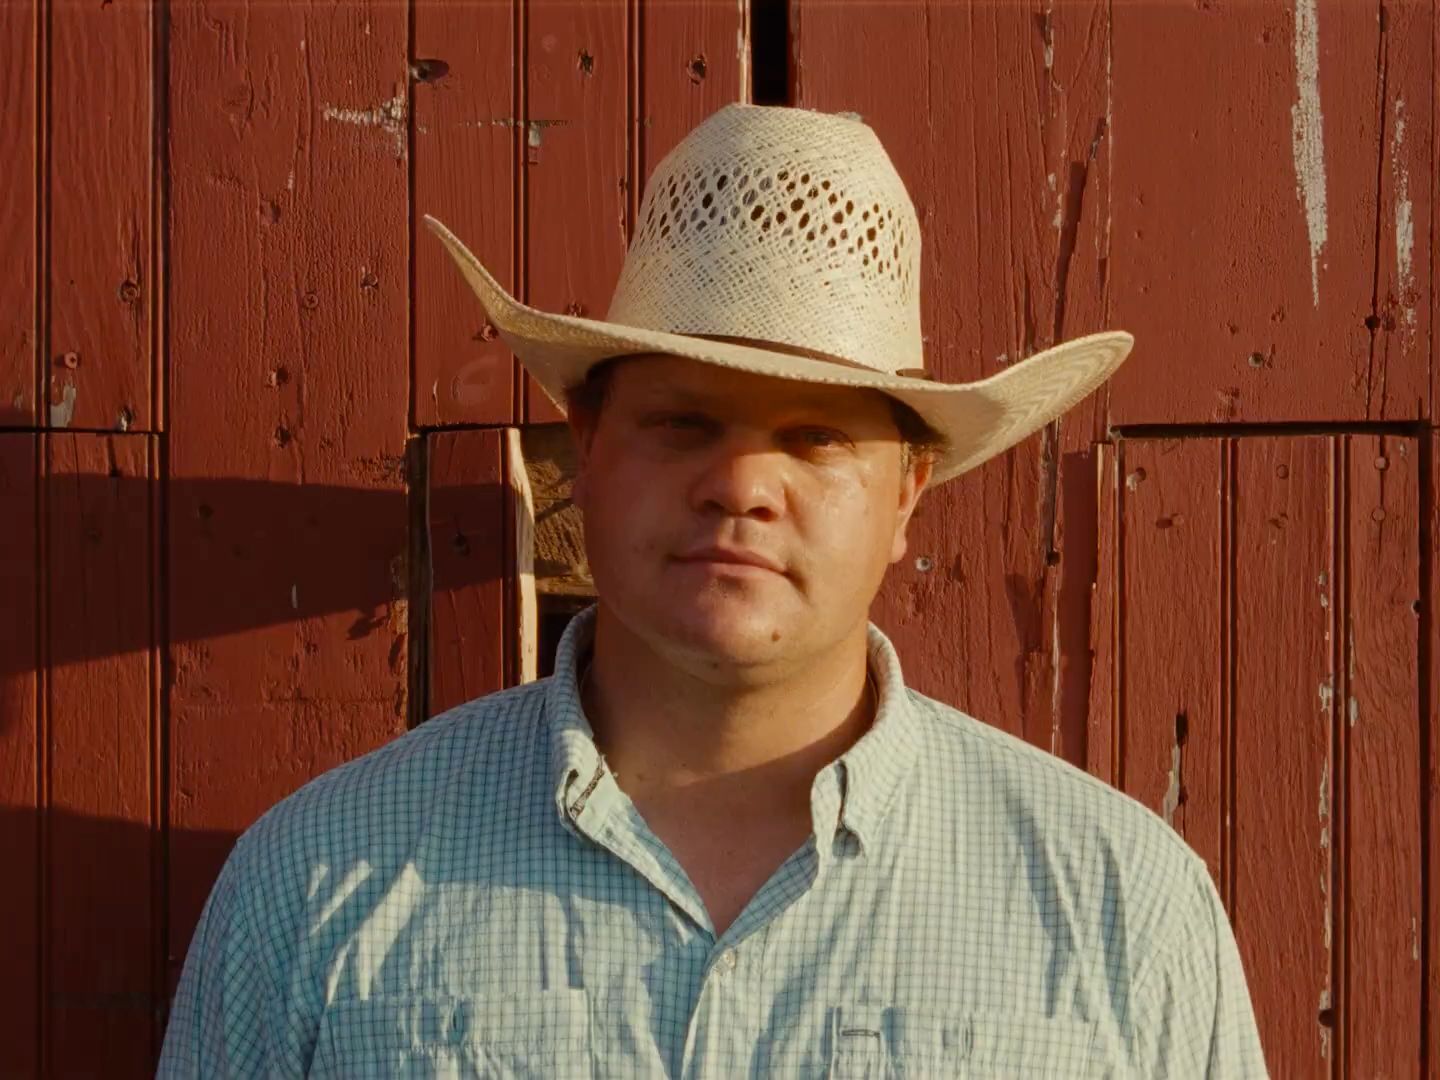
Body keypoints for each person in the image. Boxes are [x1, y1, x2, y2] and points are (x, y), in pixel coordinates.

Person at [158, 103, 1266, 1077]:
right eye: (684, 422)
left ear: (908, 493)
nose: (741, 486)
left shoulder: (1121, 909)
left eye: (817, 437)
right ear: (584, 448)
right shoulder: (314, 883)